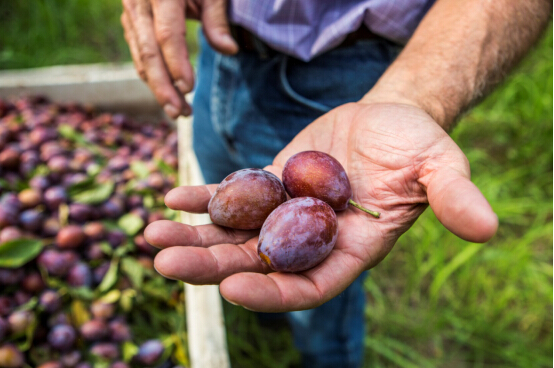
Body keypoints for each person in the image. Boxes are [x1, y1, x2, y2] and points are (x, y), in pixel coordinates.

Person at [121, 0, 551, 366]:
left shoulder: (327, 202)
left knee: (322, 310)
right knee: (246, 257)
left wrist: (413, 96)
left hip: (343, 67)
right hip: (215, 56)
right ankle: (266, 324)